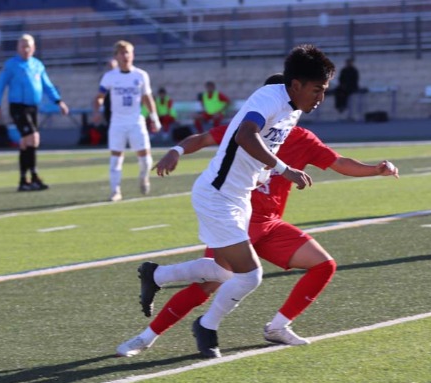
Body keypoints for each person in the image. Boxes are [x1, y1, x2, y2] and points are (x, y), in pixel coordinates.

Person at [115, 82, 399, 359]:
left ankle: (277, 327)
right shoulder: (249, 127)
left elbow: (339, 162)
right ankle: (147, 336)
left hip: (270, 223)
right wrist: (176, 150)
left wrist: (375, 169)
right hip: (236, 218)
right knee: (212, 281)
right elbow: (202, 139)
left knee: (323, 264)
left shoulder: (301, 137)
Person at [119, 45, 335, 359]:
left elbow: (262, 147)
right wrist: (283, 169)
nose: (321, 98)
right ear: (296, 85)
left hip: (239, 198)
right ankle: (206, 326)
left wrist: (262, 174)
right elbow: (244, 135)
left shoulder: (292, 111)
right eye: (317, 90)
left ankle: (157, 275)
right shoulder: (268, 98)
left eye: (324, 90)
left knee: (222, 273)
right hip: (217, 197)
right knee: (250, 276)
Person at [0, 34, 69, 191]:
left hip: (32, 107)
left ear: (33, 48)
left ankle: (23, 180)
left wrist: (58, 101)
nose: (25, 49)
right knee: (33, 138)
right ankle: (34, 176)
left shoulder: (37, 65)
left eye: (28, 46)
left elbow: (47, 85)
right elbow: (0, 86)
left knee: (27, 142)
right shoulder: (11, 65)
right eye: (23, 46)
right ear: (17, 48)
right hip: (18, 107)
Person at [92, 40, 161, 202]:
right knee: (116, 158)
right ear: (116, 56)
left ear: (133, 55)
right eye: (121, 53)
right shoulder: (110, 76)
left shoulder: (141, 75)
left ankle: (144, 177)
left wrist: (154, 118)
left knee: (146, 159)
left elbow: (147, 98)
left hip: (136, 121)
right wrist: (97, 110)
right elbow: (100, 96)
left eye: (128, 52)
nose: (125, 56)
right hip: (117, 123)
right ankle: (115, 191)